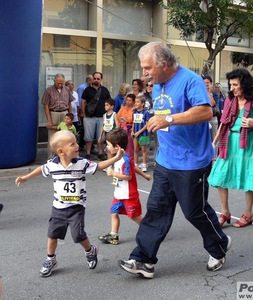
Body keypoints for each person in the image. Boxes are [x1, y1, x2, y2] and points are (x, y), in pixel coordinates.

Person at [118, 42, 230, 279]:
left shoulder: (190, 80)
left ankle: (219, 244)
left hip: (191, 162)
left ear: (164, 64)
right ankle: (143, 259)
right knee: (156, 210)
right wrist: (156, 121)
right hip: (165, 160)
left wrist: (168, 119)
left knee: (194, 212)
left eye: (148, 67)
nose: (144, 72)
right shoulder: (157, 85)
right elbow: (163, 114)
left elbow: (206, 112)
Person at [14, 130, 125, 277]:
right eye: (72, 144)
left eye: (76, 142)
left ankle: (90, 250)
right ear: (61, 151)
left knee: (78, 235)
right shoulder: (53, 165)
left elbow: (98, 166)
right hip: (58, 207)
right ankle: (50, 259)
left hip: (77, 207)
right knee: (52, 235)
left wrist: (116, 158)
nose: (77, 145)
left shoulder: (81, 163)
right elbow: (42, 169)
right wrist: (26, 177)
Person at [209, 69, 253, 228]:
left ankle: (248, 213)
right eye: (230, 85)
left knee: (248, 177)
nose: (231, 88)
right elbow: (224, 124)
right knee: (218, 176)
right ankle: (225, 212)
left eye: (235, 85)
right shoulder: (230, 101)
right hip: (229, 141)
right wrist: (214, 143)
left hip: (249, 142)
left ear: (244, 84)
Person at [98, 128, 151, 245]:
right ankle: (114, 235)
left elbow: (128, 176)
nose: (107, 147)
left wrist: (113, 173)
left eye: (108, 144)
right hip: (119, 193)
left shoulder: (125, 160)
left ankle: (151, 231)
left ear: (116, 146)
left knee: (134, 216)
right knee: (114, 212)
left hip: (128, 194)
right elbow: (134, 167)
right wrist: (144, 175)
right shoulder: (119, 157)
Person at [81, 71, 111, 160]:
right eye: (95, 78)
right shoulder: (87, 90)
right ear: (92, 79)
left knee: (101, 137)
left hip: (102, 117)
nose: (96, 80)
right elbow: (82, 102)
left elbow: (109, 102)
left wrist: (107, 115)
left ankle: (100, 153)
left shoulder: (105, 90)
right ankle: (88, 153)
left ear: (101, 80)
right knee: (88, 137)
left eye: (98, 79)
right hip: (89, 117)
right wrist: (84, 114)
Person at [41, 73, 73, 157]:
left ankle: (64, 157)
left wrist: (70, 116)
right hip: (54, 113)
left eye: (62, 83)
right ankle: (51, 158)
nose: (60, 85)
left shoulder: (67, 89)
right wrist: (49, 120)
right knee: (53, 136)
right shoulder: (49, 90)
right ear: (54, 81)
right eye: (58, 83)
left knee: (65, 135)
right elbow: (46, 105)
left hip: (65, 112)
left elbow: (70, 103)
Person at [132, 95, 150, 172]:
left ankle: (144, 164)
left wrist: (139, 132)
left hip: (143, 134)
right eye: (135, 102)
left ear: (142, 104)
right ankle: (135, 164)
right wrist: (132, 131)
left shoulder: (145, 112)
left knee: (143, 149)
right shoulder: (134, 112)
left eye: (138, 102)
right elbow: (133, 122)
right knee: (135, 149)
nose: (136, 103)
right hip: (135, 133)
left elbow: (147, 124)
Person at [117, 93, 135, 160]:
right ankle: (121, 157)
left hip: (130, 128)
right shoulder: (123, 108)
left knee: (129, 144)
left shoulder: (134, 109)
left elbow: (131, 119)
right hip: (122, 127)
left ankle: (129, 158)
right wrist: (123, 119)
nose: (127, 102)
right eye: (127, 100)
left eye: (129, 100)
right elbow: (118, 116)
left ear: (133, 101)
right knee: (121, 143)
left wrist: (125, 119)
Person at [203, 75, 218, 141]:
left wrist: (209, 93)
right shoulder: (200, 93)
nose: (206, 85)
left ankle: (214, 151)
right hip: (203, 119)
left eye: (208, 83)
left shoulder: (214, 93)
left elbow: (213, 104)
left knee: (213, 138)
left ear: (211, 84)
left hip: (212, 118)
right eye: (204, 83)